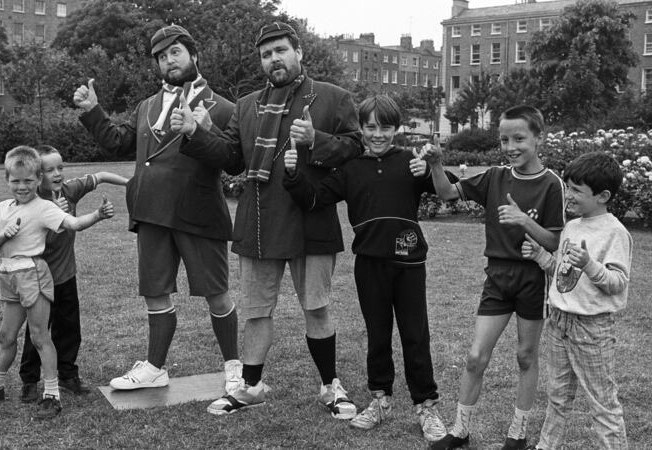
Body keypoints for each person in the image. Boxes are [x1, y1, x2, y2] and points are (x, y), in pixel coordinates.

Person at [170, 22, 362, 418]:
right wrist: (194, 132)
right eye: (266, 54)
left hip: (312, 218)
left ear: (299, 52)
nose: (273, 59)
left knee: (317, 308)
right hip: (259, 222)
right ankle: (251, 387)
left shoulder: (332, 98)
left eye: (280, 50)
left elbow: (357, 148)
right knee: (257, 310)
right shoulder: (247, 104)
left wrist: (317, 141)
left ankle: (331, 387)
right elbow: (232, 158)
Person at [73, 24, 242, 394]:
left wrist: (200, 132)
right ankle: (154, 367)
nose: (169, 61)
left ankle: (233, 367)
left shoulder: (225, 107)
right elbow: (118, 143)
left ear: (193, 55)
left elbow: (233, 160)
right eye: (162, 57)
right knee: (155, 291)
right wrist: (93, 112)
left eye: (176, 53)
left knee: (216, 292)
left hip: (198, 213)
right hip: (150, 211)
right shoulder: (147, 105)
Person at [282, 95, 452, 440]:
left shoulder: (410, 162)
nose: (378, 134)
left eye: (385, 127)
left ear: (396, 128)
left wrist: (433, 164)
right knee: (377, 335)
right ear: (360, 128)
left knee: (415, 335)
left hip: (409, 263)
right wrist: (292, 173)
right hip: (370, 265)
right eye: (370, 126)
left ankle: (426, 406)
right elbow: (313, 199)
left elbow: (446, 192)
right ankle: (380, 399)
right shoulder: (350, 168)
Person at [425, 105, 566, 450]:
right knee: (476, 357)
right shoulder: (494, 176)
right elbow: (446, 194)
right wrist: (435, 163)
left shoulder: (552, 184)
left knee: (525, 356)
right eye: (505, 139)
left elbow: (557, 241)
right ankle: (460, 431)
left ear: (538, 138)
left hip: (533, 279)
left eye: (519, 138)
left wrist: (524, 220)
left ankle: (517, 435)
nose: (511, 146)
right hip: (498, 277)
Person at [0, 146, 114, 420]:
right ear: (7, 179)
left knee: (40, 337)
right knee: (6, 337)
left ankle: (52, 395)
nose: (22, 186)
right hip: (8, 277)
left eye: (28, 181)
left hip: (33, 275)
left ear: (38, 179)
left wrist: (98, 216)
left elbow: (74, 224)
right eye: (16, 181)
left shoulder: (45, 208)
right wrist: (4, 234)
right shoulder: (1, 208)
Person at [522, 152, 632, 450]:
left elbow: (618, 283)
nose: (568, 195)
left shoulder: (614, 233)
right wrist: (541, 256)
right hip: (559, 322)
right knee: (557, 397)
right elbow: (561, 272)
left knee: (602, 404)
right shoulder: (572, 226)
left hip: (592, 330)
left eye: (576, 191)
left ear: (603, 196)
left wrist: (590, 265)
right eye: (568, 187)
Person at [17, 145, 129, 402]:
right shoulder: (31, 202)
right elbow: (31, 239)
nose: (57, 173)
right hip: (39, 279)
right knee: (37, 331)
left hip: (66, 275)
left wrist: (129, 183)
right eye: (49, 170)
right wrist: (55, 212)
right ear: (36, 176)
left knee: (69, 328)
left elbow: (100, 176)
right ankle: (30, 380)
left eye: (60, 167)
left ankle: (68, 375)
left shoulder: (70, 189)